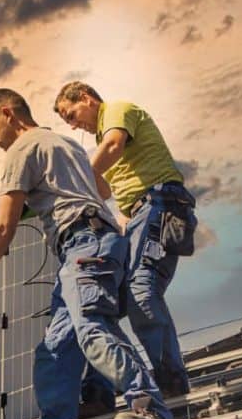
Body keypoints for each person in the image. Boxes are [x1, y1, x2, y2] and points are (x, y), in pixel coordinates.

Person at [0, 88, 172, 419]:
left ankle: (149, 406)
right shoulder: (64, 142)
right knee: (55, 348)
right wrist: (55, 194)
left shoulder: (21, 148)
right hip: (92, 244)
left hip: (84, 245)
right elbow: (102, 188)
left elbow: (4, 229)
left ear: (8, 113)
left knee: (93, 328)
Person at [53, 82, 198, 401]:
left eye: (72, 114)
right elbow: (104, 192)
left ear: (87, 99)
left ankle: (171, 382)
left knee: (142, 292)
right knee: (107, 301)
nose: (74, 124)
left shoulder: (117, 111)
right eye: (67, 122)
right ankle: (99, 390)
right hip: (138, 216)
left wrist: (76, 176)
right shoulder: (99, 141)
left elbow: (114, 146)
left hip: (160, 202)